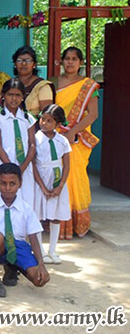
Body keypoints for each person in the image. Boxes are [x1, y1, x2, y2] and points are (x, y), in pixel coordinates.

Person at [0, 163, 50, 298]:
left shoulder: (26, 208)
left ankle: (12, 268)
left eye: (12, 184)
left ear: (20, 183)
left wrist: (41, 265)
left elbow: (34, 238)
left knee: (40, 280)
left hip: (18, 247)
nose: (7, 188)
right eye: (3, 183)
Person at [53, 47, 99, 239]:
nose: (70, 62)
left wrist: (73, 131)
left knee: (74, 176)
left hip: (76, 138)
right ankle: (56, 222)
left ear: (81, 62)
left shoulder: (88, 86)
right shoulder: (54, 82)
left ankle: (75, 223)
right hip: (55, 136)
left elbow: (93, 114)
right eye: (67, 58)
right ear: (61, 61)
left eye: (74, 59)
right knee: (56, 175)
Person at [0, 79, 38, 234]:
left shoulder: (28, 118)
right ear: (3, 95)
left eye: (18, 95)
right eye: (10, 94)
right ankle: (5, 237)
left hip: (25, 167)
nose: (14, 99)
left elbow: (32, 145)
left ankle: (25, 239)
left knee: (26, 201)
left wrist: (22, 168)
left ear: (23, 96)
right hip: (5, 167)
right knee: (6, 200)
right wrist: (11, 169)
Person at [33, 104, 71, 264]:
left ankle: (53, 250)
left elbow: (67, 165)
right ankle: (40, 250)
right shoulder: (35, 139)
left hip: (57, 183)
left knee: (55, 216)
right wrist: (42, 186)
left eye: (49, 121)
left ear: (58, 124)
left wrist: (60, 186)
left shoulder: (62, 141)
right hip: (40, 181)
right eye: (43, 119)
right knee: (39, 215)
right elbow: (33, 164)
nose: (44, 123)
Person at [12, 45, 54, 118]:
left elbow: (47, 115)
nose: (24, 64)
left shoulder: (42, 86)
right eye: (19, 60)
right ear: (15, 64)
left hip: (34, 127)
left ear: (34, 64)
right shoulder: (10, 84)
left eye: (28, 60)